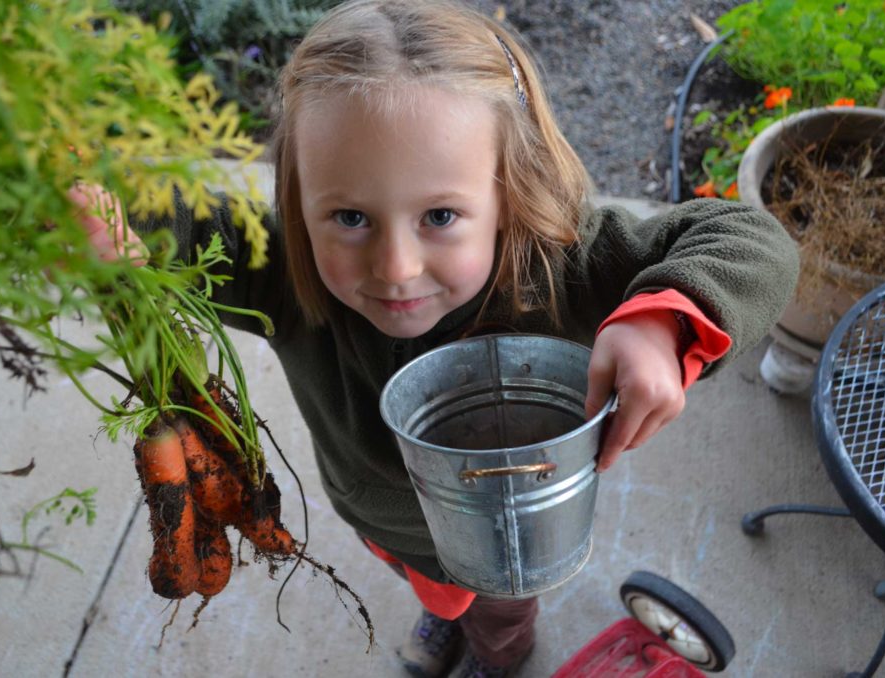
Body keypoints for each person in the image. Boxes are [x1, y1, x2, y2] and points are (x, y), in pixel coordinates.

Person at [73, 1, 799, 675]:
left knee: (500, 609)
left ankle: (500, 651)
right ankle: (441, 614)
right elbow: (177, 223)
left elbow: (751, 241)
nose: (394, 269)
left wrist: (663, 320)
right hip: (385, 525)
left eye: (441, 216)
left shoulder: (565, 264)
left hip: (517, 541)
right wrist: (97, 215)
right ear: (298, 201)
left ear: (509, 189)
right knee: (431, 585)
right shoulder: (288, 278)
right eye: (350, 217)